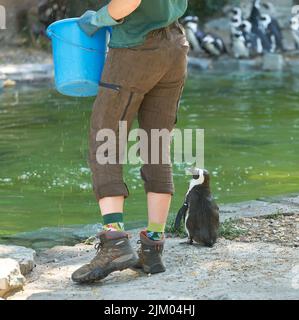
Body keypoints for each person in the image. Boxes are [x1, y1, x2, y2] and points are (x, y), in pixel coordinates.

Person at [72, 0, 189, 284]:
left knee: (106, 139)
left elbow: (128, 2)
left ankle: (114, 242)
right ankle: (153, 248)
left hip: (135, 51)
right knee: (156, 143)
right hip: (175, 47)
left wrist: (99, 19)